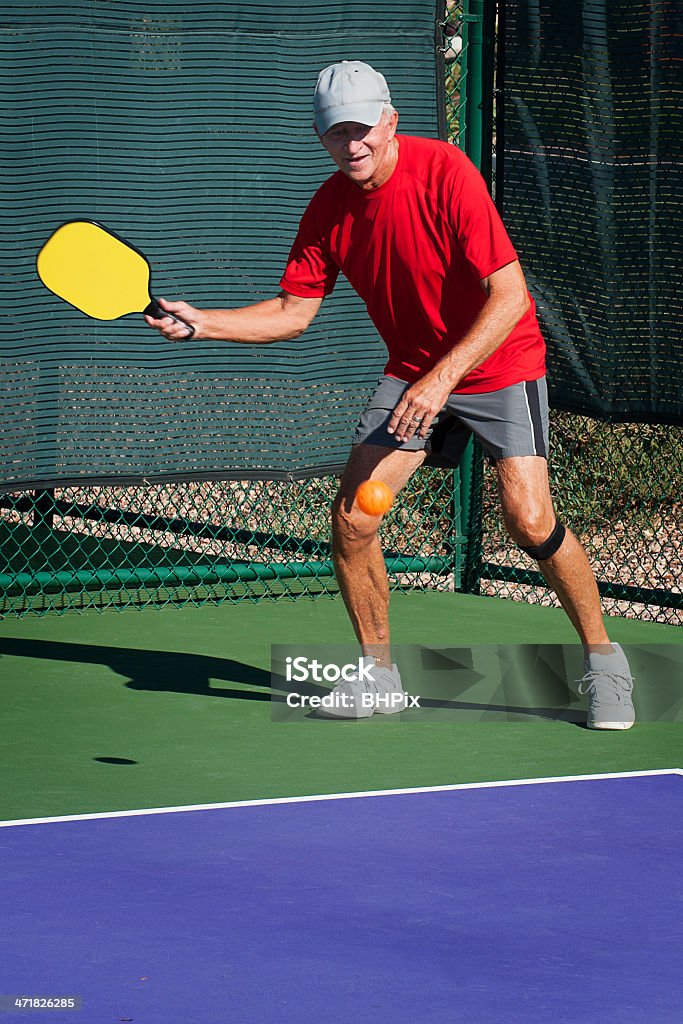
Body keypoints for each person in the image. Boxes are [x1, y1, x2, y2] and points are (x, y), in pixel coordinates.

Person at [145, 60, 635, 730]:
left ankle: (605, 664)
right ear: (320, 136)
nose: (351, 143)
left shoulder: (446, 172)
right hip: (412, 373)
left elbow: (510, 296)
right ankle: (378, 677)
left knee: (527, 520)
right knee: (352, 519)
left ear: (389, 120)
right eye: (335, 131)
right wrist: (203, 323)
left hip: (498, 362)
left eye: (361, 127)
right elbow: (293, 312)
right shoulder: (329, 207)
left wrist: (440, 380)